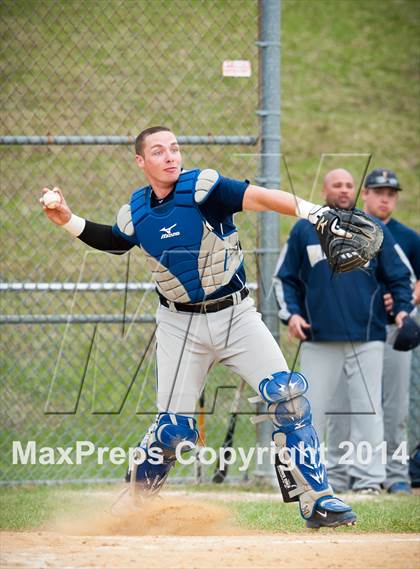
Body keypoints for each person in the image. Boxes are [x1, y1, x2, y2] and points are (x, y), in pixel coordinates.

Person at [40, 126, 357, 529]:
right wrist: (68, 219)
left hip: (235, 316)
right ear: (141, 162)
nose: (171, 156)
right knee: (173, 430)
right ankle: (134, 502)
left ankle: (318, 500)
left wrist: (315, 211)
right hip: (178, 324)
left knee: (288, 398)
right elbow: (114, 240)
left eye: (174, 148)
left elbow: (259, 196)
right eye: (158, 151)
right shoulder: (136, 211)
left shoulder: (204, 189)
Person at [274, 168, 414, 495]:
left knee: (368, 410)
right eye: (337, 184)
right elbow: (285, 280)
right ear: (324, 189)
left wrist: (403, 311)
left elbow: (400, 277)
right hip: (319, 337)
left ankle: (368, 481)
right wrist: (291, 315)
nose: (343, 190)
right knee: (315, 411)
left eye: (349, 185)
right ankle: (321, 478)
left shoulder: (374, 229)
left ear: (356, 191)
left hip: (367, 336)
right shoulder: (304, 230)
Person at [330, 168, 419, 494]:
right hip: (355, 330)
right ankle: (351, 472)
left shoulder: (408, 238)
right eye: (379, 191)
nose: (385, 198)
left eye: (391, 193)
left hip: (392, 330)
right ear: (364, 194)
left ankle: (395, 473)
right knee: (348, 407)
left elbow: (412, 278)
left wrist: (401, 301)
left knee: (395, 407)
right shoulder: (344, 231)